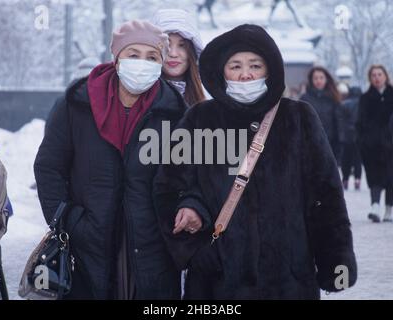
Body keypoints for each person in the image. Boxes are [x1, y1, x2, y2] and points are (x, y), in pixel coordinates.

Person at [153, 24, 357, 299]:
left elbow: (325, 195)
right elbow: (169, 188)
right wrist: (196, 251)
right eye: (235, 66)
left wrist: (336, 261)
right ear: (222, 72)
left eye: (255, 65)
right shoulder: (200, 119)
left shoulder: (298, 117)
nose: (245, 74)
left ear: (269, 70)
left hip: (289, 280)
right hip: (217, 285)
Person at [34, 20, 187, 299]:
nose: (142, 63)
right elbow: (49, 167)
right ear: (117, 59)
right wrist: (68, 220)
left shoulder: (174, 110)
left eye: (152, 57)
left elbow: (189, 175)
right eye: (133, 54)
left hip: (152, 249)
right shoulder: (76, 102)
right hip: (87, 246)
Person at [357, 65, 393, 223]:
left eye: (380, 74)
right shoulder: (365, 98)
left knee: (391, 177)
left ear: (385, 76)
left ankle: (389, 209)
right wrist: (363, 140)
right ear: (370, 78)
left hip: (391, 143)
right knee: (375, 176)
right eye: (373, 75)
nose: (377, 77)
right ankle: (375, 206)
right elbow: (359, 122)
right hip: (372, 145)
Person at [152, 9, 205, 106]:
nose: (173, 54)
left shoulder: (210, 98)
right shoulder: (142, 99)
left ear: (192, 51)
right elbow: (165, 121)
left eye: (182, 45)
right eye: (166, 45)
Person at [301, 66, 344, 163]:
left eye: (321, 78)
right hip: (310, 144)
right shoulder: (305, 98)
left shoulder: (334, 98)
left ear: (326, 79)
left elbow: (339, 122)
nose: (318, 81)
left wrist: (340, 144)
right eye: (315, 78)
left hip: (330, 144)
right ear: (311, 80)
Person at [339, 84, 362, 190]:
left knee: (346, 159)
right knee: (358, 159)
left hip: (347, 136)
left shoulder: (344, 104)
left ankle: (345, 179)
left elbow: (341, 121)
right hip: (359, 136)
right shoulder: (363, 104)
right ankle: (358, 179)